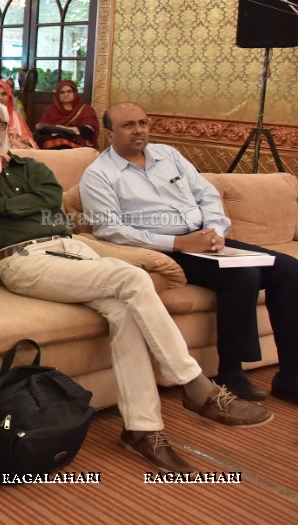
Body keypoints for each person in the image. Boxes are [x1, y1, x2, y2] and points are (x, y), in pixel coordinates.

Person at [0, 97, 272, 474]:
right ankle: (195, 385)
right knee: (132, 277)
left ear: (8, 128)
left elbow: (49, 200)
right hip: (21, 260)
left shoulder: (33, 166)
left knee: (124, 312)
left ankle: (143, 430)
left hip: (72, 249)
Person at [80, 102, 298, 405]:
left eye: (143, 123)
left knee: (289, 268)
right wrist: (181, 244)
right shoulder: (99, 174)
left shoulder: (168, 155)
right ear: (109, 132)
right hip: (164, 247)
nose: (139, 130)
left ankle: (290, 377)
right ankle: (230, 372)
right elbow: (109, 230)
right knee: (242, 275)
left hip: (206, 239)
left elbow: (206, 193)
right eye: (128, 125)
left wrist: (214, 231)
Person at [35, 79, 98, 149]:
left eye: (69, 91)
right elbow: (41, 129)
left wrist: (69, 129)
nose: (66, 94)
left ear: (75, 93)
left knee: (63, 143)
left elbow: (88, 130)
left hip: (76, 141)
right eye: (62, 92)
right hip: (53, 141)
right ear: (58, 95)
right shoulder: (51, 110)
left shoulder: (86, 109)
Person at [0, 78, 36, 149]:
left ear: (9, 96)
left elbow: (28, 139)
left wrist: (26, 141)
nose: (0, 97)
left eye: (4, 94)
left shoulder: (16, 117)